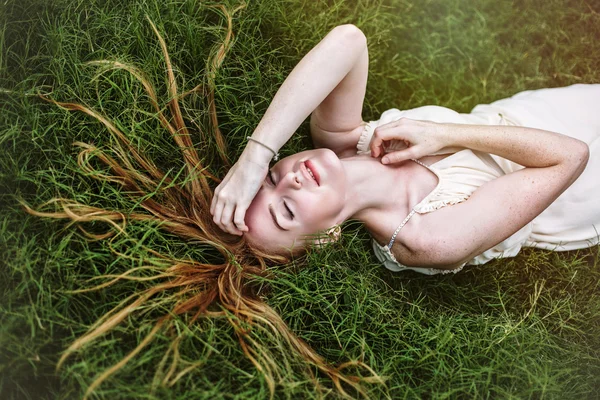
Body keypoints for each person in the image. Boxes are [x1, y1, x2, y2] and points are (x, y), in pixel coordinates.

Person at [211, 24, 599, 275]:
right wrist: (445, 134)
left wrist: (255, 157)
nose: (290, 180)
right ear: (328, 236)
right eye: (287, 210)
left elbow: (349, 40)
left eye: (272, 178)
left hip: (536, 111)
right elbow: (570, 156)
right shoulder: (427, 238)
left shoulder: (342, 137)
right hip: (579, 188)